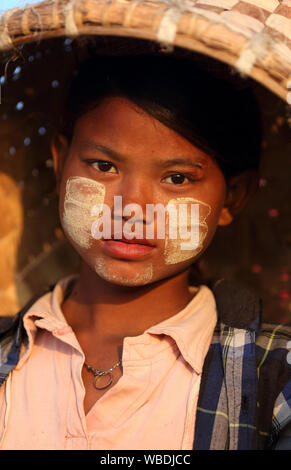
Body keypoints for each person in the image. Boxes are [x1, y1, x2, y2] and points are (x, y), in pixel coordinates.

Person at [0, 53, 290, 451]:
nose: (131, 208)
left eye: (176, 178)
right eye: (104, 166)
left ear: (233, 198)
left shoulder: (277, 378)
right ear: (60, 161)